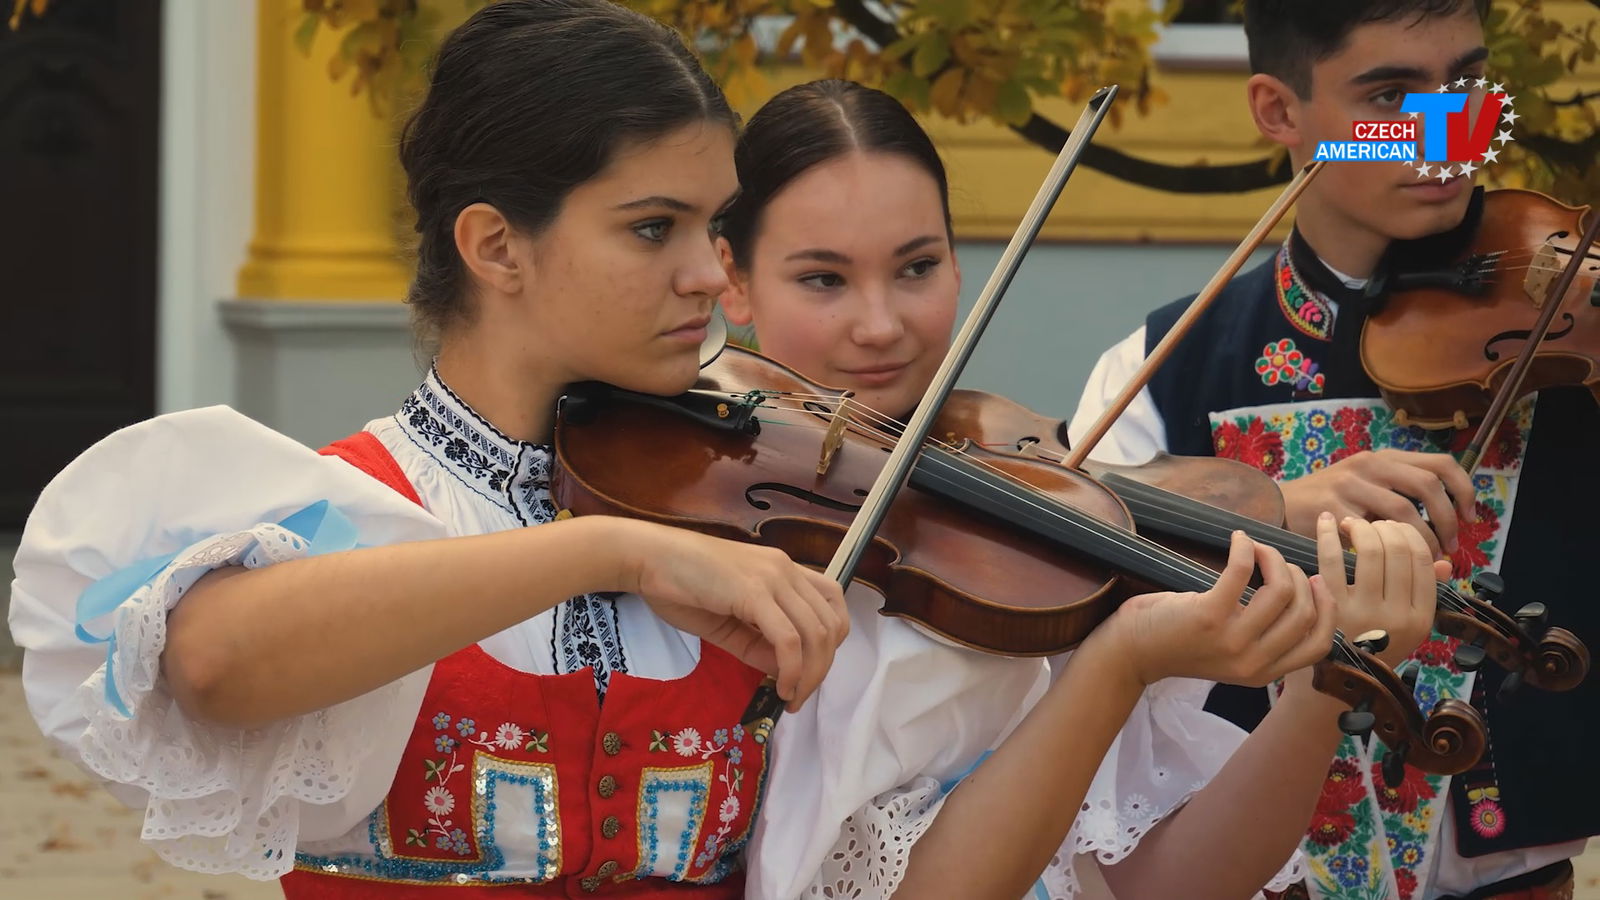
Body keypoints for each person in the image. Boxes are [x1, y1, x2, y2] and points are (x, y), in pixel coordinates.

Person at [8, 2, 1362, 899]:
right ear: (497, 246)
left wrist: (1125, 656)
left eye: (715, 233)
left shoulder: (752, 530)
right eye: (652, 229)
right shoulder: (353, 502)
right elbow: (216, 660)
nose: (712, 282)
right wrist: (599, 546)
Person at [715, 77, 1446, 900]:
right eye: (823, 279)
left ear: (960, 266)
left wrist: (1321, 693)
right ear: (730, 278)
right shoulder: (708, 545)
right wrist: (1117, 666)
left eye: (917, 266)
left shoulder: (1036, 543)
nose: (881, 324)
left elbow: (1171, 886)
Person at [1065, 2, 1599, 898]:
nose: (1449, 129)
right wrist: (1272, 504)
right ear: (1278, 111)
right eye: (1392, 93)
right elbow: (1075, 527)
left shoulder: (1567, 340)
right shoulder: (1164, 366)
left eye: (1465, 84)